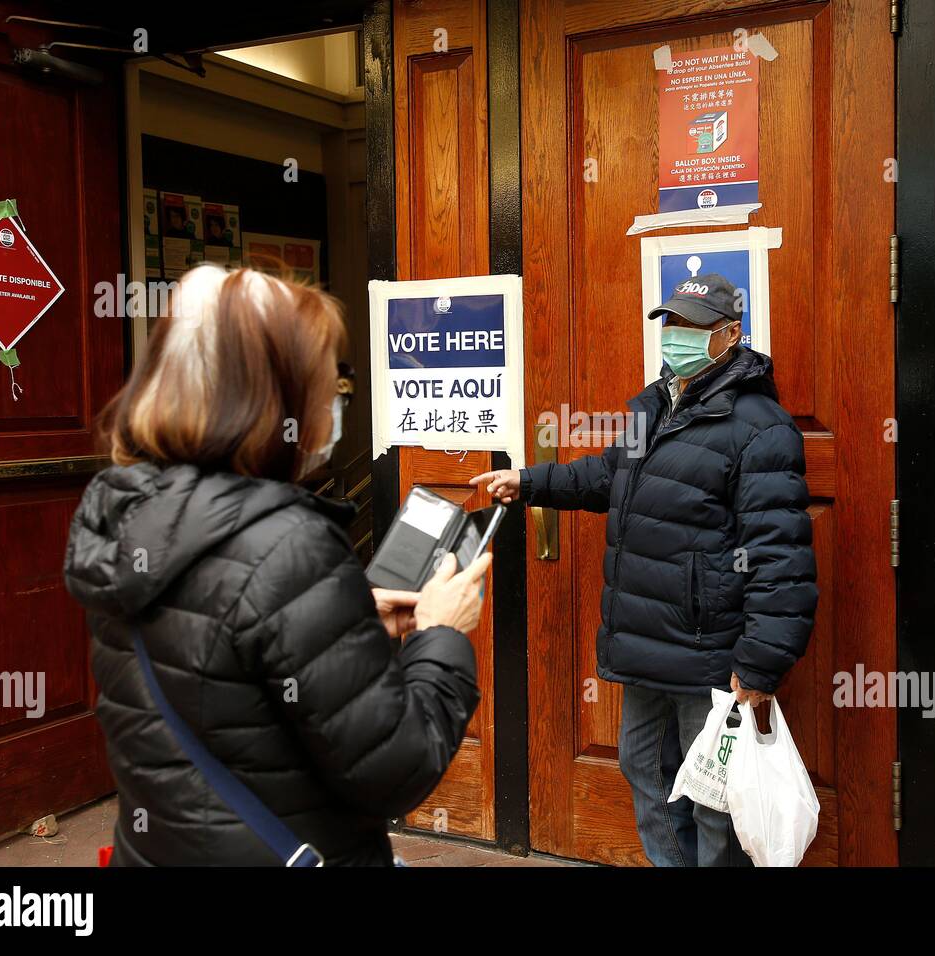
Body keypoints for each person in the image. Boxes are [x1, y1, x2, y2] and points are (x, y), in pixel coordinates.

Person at [64, 264, 490, 866]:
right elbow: (395, 771)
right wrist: (442, 635)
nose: (334, 402)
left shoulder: (128, 517)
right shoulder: (288, 545)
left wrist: (340, 618)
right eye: (326, 383)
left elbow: (211, 651)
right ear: (270, 401)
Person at [471, 273, 817, 867]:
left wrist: (761, 665)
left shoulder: (761, 427)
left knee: (713, 798)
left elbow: (780, 559)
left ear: (730, 334)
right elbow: (606, 476)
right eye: (672, 323)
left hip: (708, 649)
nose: (676, 336)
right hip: (641, 639)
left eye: (692, 325)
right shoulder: (653, 406)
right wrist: (527, 482)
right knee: (643, 770)